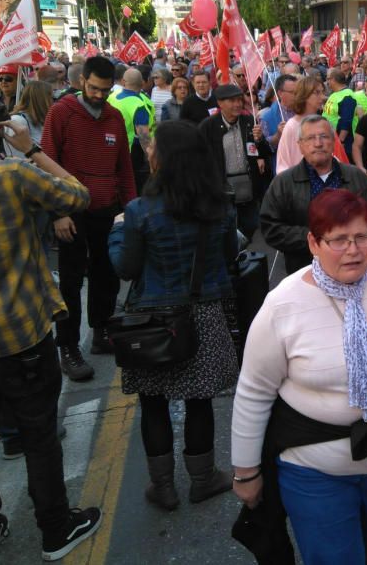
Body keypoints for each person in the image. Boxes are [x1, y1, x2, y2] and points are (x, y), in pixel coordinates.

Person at [231, 189, 367, 564]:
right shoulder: (283, 304)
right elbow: (253, 392)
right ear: (313, 242)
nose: (354, 250)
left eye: (362, 237)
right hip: (313, 467)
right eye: (339, 240)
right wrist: (247, 472)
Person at [0, 89, 105, 563]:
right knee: (39, 438)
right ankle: (55, 529)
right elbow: (77, 194)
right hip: (19, 336)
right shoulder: (11, 174)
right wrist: (30, 149)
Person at [108, 121, 239, 512]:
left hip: (151, 320)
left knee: (153, 401)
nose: (147, 151)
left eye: (153, 147)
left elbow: (126, 268)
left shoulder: (138, 211)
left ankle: (162, 485)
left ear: (164, 158)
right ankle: (203, 478)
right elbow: (230, 257)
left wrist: (116, 232)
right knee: (199, 400)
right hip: (202, 313)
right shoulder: (220, 205)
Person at [41, 56, 136, 381]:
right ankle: (67, 346)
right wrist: (58, 212)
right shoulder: (62, 112)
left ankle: (101, 331)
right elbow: (46, 161)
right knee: (69, 281)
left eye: (105, 91)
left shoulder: (112, 116)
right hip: (71, 214)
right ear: (83, 81)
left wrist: (131, 210)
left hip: (106, 211)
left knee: (105, 274)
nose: (99, 95)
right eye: (94, 88)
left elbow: (123, 168)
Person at [261, 115, 367, 275]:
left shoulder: (357, 177)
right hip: (304, 270)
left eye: (324, 137)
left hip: (353, 268)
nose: (318, 143)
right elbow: (270, 227)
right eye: (310, 138)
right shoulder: (284, 183)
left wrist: (355, 240)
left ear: (334, 142)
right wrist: (316, 239)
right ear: (300, 145)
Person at [199, 84, 270, 238]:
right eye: (231, 101)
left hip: (248, 184)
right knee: (228, 230)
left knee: (250, 226)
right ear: (220, 103)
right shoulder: (208, 126)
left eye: (239, 100)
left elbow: (263, 151)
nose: (237, 104)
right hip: (223, 187)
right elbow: (200, 158)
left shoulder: (249, 121)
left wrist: (259, 140)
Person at [275, 76, 325, 174]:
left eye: (322, 92)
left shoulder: (323, 123)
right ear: (304, 96)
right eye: (317, 93)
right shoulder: (292, 126)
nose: (323, 97)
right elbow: (283, 165)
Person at [4, 80, 51, 159]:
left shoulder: (40, 120)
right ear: (42, 100)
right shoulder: (17, 120)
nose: (54, 101)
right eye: (52, 97)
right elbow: (17, 157)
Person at [322, 69, 359, 161]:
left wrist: (341, 141)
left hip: (344, 142)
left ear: (333, 80)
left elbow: (346, 120)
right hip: (332, 138)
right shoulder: (336, 93)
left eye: (328, 79)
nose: (327, 82)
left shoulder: (347, 96)